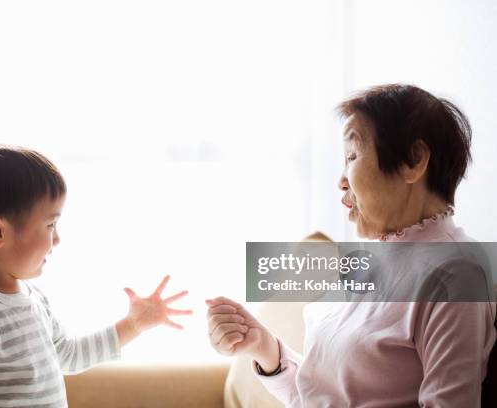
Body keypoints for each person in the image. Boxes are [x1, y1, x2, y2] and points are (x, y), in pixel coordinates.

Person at [206, 84, 496, 407]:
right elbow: (317, 395)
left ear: (414, 161)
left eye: (353, 156)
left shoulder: (455, 274)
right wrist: (264, 347)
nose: (341, 180)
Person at [0, 145, 192, 407]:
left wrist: (132, 325)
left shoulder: (34, 299)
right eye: (50, 225)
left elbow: (69, 355)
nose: (57, 239)